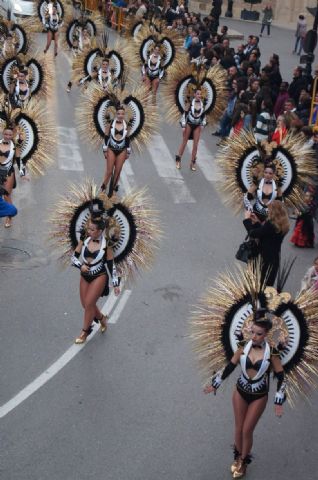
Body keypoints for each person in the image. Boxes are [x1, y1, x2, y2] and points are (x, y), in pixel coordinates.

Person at [204, 309, 285, 478]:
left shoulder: (273, 353)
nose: (254, 336)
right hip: (240, 391)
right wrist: (216, 384)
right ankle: (237, 458)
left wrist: (278, 401)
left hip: (259, 395)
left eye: (259, 334)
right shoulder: (243, 346)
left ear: (266, 334)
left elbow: (280, 375)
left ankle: (244, 460)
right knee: (238, 427)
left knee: (247, 430)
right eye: (252, 332)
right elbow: (231, 366)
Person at [71, 213, 120, 344]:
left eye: (92, 229)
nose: (89, 231)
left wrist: (115, 283)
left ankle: (85, 332)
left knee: (89, 304)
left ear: (100, 231)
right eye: (89, 228)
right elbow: (74, 257)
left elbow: (111, 264)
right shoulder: (85, 239)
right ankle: (102, 319)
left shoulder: (106, 244)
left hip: (99, 276)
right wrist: (80, 266)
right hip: (84, 275)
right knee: (86, 304)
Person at [243, 200, 290, 286]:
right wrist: (257, 222)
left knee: (257, 284)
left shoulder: (270, 224)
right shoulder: (282, 224)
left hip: (264, 259)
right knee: (267, 285)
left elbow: (253, 233)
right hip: (274, 260)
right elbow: (265, 233)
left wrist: (247, 220)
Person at [101, 105, 131, 197]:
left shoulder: (127, 125)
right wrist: (105, 150)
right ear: (116, 114)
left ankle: (112, 191)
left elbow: (127, 138)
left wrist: (128, 151)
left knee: (118, 171)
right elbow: (106, 136)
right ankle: (103, 187)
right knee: (109, 171)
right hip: (111, 149)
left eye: (122, 114)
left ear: (124, 114)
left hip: (122, 150)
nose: (120, 115)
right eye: (118, 113)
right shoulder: (110, 123)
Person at [175, 88, 206, 171]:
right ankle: (178, 160)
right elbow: (184, 115)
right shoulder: (189, 104)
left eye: (200, 94)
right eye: (198, 94)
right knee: (184, 142)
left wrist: (203, 124)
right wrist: (183, 126)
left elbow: (204, 116)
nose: (199, 96)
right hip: (189, 124)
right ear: (194, 95)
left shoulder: (203, 105)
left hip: (197, 125)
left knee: (195, 145)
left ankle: (192, 163)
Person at [0, 124, 23, 228]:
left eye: (10, 135)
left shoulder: (15, 146)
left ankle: (9, 216)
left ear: (12, 135)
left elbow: (18, 159)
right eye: (6, 134)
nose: (7, 136)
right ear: (3, 134)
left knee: (6, 196)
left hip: (8, 172)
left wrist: (22, 173)